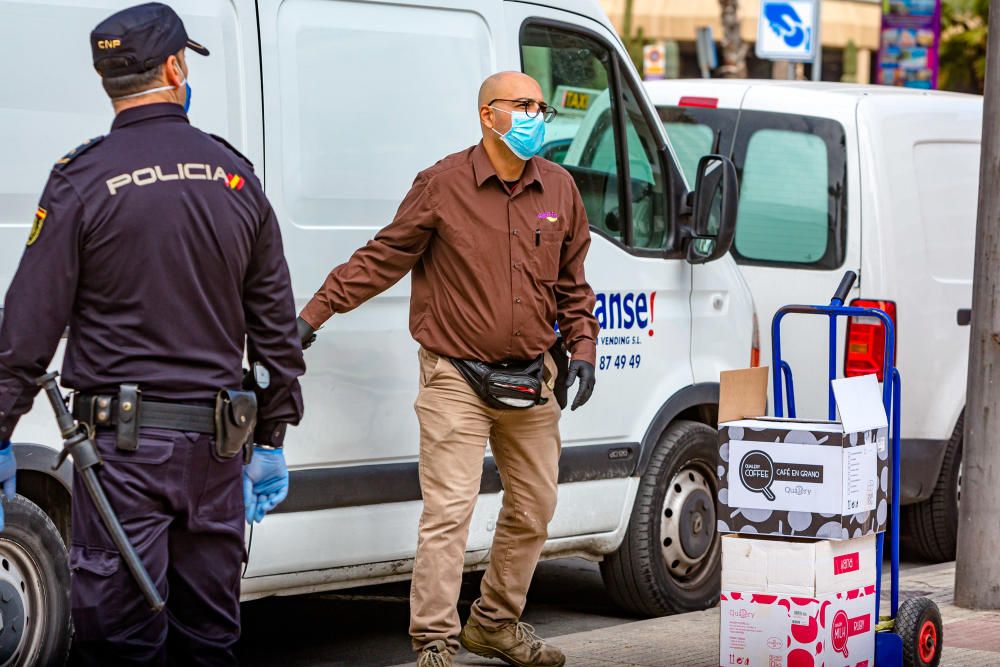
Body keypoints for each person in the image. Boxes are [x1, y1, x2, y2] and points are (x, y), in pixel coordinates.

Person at [0, 3, 305, 664]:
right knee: (209, 638)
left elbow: (24, 333)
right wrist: (272, 435)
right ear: (173, 67)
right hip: (219, 453)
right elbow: (277, 328)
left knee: (122, 641)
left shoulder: (80, 179)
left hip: (122, 456)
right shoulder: (233, 176)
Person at [297, 71, 599, 667]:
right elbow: (381, 258)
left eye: (542, 105)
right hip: (454, 377)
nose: (538, 115)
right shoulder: (442, 185)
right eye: (524, 105)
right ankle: (434, 639)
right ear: (488, 115)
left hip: (530, 379)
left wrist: (583, 351)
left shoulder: (560, 189)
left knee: (535, 506)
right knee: (449, 513)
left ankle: (494, 623)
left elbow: (574, 285)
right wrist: (311, 317)